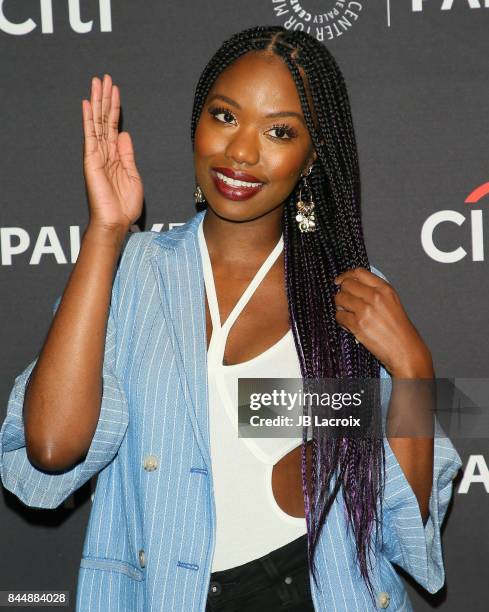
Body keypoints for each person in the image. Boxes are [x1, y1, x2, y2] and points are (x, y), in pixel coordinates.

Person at [0, 26, 461, 612]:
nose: (242, 152)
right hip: (168, 594)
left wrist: (415, 371)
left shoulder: (351, 295)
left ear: (312, 154)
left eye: (279, 131)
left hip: (322, 592)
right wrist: (106, 233)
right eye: (224, 117)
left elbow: (400, 526)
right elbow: (50, 447)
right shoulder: (133, 274)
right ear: (197, 121)